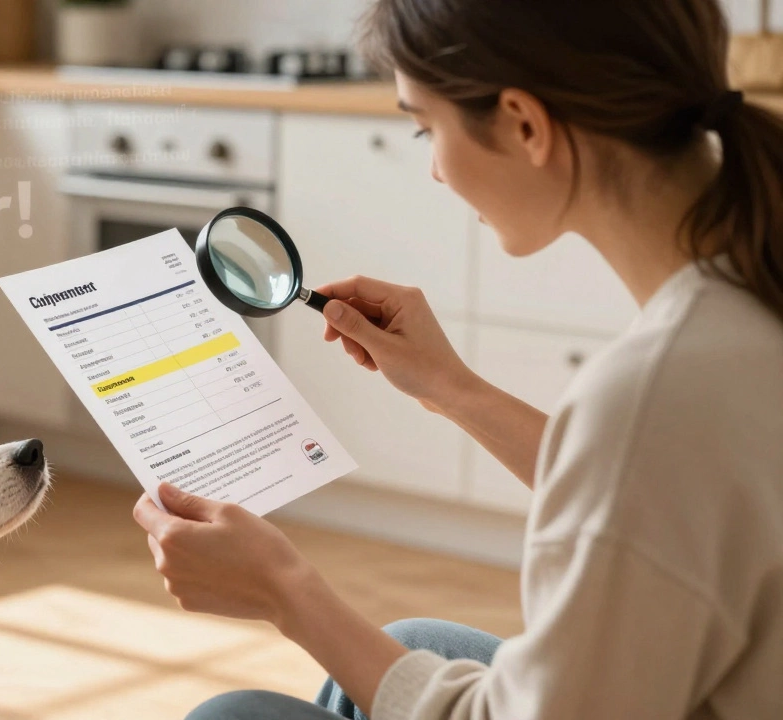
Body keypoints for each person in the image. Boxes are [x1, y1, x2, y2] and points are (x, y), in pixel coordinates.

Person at [131, 0, 783, 718]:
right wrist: (452, 389)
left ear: (525, 125)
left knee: (234, 717)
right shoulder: (741, 301)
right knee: (415, 640)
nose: (436, 170)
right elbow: (657, 496)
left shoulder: (653, 395)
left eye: (425, 128)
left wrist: (285, 591)